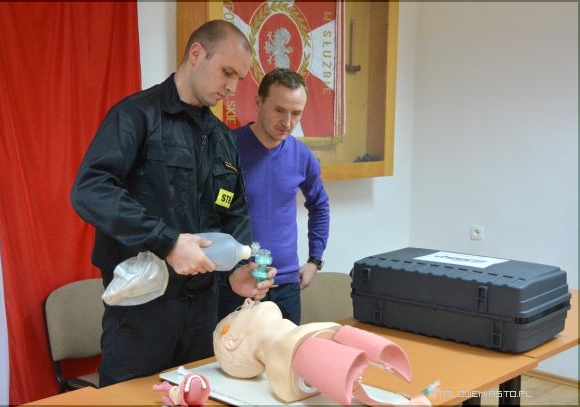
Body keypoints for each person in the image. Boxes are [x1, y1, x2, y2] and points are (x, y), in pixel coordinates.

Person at [71, 20, 276, 387]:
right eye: (227, 72)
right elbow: (91, 190)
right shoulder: (136, 116)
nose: (232, 87)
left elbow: (234, 212)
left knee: (199, 395)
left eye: (239, 78)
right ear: (196, 54)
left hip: (203, 313)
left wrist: (239, 269)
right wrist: (167, 242)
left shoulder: (222, 138)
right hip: (141, 311)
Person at [217, 68, 329, 324]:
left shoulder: (301, 155)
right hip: (237, 283)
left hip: (286, 285)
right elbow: (210, 212)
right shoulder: (227, 149)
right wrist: (227, 272)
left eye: (296, 113)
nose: (287, 123)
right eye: (279, 110)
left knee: (285, 352)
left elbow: (320, 205)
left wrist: (315, 260)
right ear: (258, 103)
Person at [213, 299, 432, 406]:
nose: (247, 302)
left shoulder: (306, 340)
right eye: (239, 311)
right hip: (298, 349)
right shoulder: (291, 349)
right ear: (232, 340)